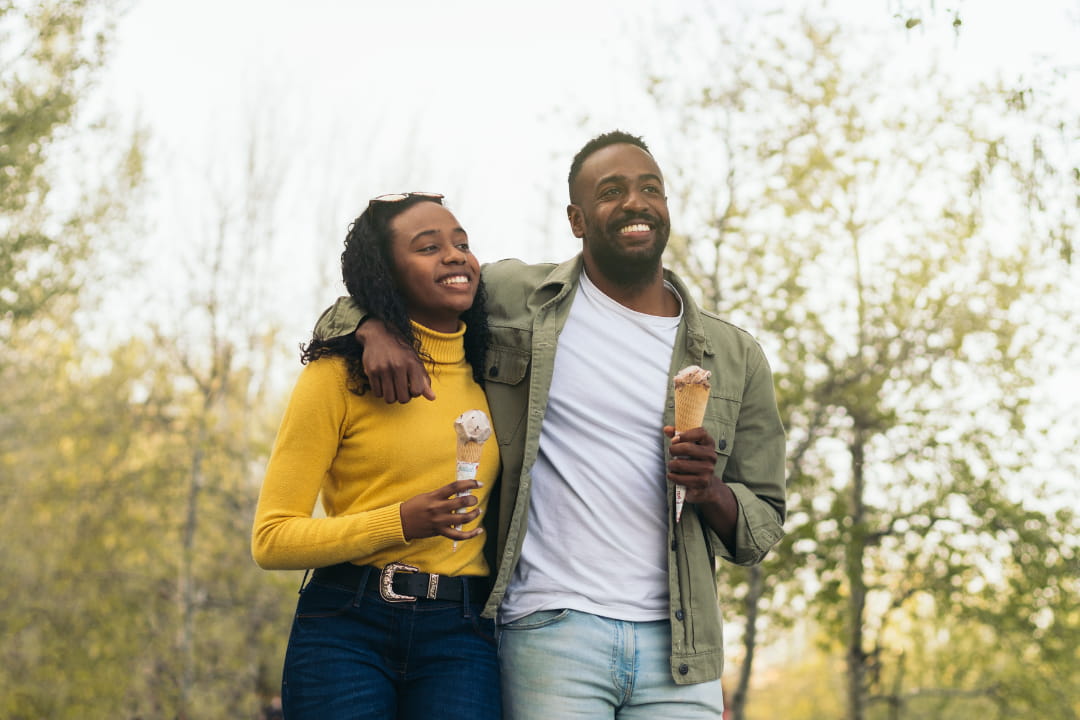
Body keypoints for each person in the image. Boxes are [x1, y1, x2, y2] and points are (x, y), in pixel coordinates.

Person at [312, 131, 787, 718]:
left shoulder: (736, 356)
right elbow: (378, 291)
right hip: (549, 629)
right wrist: (372, 330)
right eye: (611, 192)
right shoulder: (515, 297)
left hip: (679, 651)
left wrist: (710, 490)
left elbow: (763, 524)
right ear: (576, 219)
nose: (635, 202)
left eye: (650, 189)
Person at [252, 192, 501, 719]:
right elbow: (272, 539)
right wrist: (400, 522)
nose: (454, 256)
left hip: (462, 632)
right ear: (386, 274)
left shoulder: (499, 374)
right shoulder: (337, 375)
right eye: (428, 247)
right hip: (346, 626)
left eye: (462, 244)